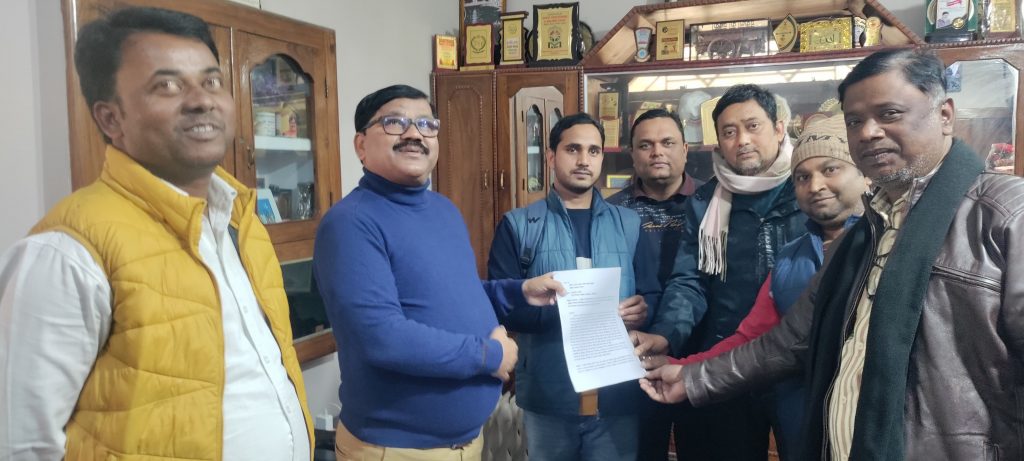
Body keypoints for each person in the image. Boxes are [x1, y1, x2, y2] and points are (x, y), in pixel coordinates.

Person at [640, 48, 1024, 460]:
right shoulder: (866, 234)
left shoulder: (1005, 215)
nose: (869, 132)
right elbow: (789, 341)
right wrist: (692, 375)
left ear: (945, 114)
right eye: (855, 121)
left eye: (889, 113)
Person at [0, 7, 313, 460]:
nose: (202, 100)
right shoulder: (66, 251)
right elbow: (20, 442)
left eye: (211, 81)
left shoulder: (240, 220)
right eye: (167, 85)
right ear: (111, 119)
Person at [313, 84, 565, 460]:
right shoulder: (350, 223)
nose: (414, 134)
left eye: (426, 124)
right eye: (395, 122)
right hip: (398, 448)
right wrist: (490, 356)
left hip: (466, 442)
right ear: (361, 145)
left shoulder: (443, 209)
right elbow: (382, 337)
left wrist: (519, 291)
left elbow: (455, 294)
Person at [650, 115, 869, 460]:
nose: (815, 186)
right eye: (803, 177)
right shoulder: (789, 259)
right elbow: (754, 339)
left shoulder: (886, 246)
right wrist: (686, 369)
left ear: (864, 173)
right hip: (799, 421)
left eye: (830, 169)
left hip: (870, 424)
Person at [634, 84, 807, 460]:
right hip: (724, 362)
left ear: (779, 128)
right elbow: (690, 281)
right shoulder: (705, 202)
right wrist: (666, 334)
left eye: (752, 126)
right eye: (729, 131)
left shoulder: (809, 190)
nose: (742, 140)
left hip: (799, 364)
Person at [487, 112, 655, 461]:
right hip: (549, 393)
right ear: (551, 157)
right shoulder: (519, 225)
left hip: (616, 393)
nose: (583, 160)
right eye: (573, 149)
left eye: (593, 151)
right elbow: (503, 306)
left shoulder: (629, 224)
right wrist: (576, 314)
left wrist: (644, 308)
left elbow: (651, 292)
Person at [605, 109, 695, 460]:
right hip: (634, 354)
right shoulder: (612, 211)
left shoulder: (713, 203)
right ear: (633, 154)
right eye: (646, 145)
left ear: (685, 149)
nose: (657, 152)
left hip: (702, 350)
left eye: (667, 142)